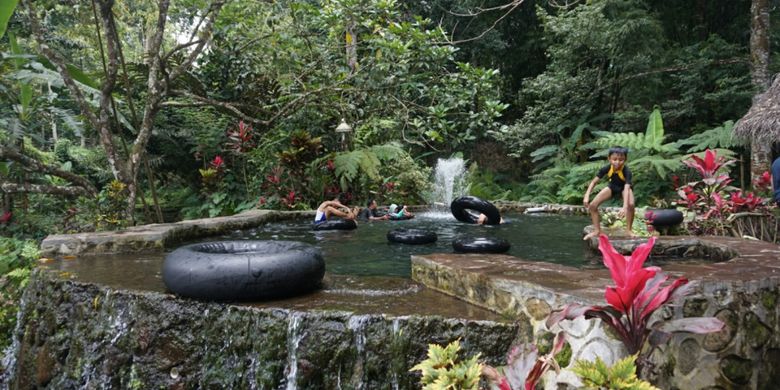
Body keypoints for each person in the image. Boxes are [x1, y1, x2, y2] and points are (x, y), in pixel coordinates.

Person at [583, 146, 635, 239]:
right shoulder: (606, 168)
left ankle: (628, 230)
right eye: (614, 159)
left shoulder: (627, 171)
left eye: (621, 160)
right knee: (593, 206)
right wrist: (586, 195)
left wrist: (625, 207)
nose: (617, 162)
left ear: (625, 159)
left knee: (631, 204)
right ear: (609, 159)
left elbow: (627, 188)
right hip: (612, 187)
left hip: (624, 188)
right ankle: (597, 231)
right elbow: (594, 182)